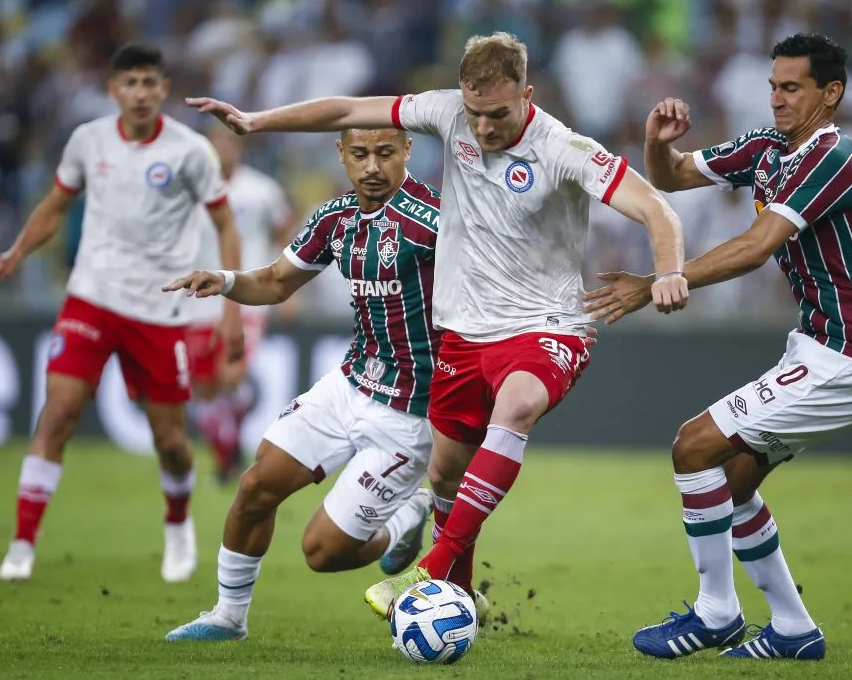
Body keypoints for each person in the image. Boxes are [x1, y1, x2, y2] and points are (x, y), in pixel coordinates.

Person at [186, 30, 690, 622]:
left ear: (527, 96)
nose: (481, 128)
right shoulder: (441, 116)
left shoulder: (563, 148)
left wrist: (669, 271)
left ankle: (428, 571)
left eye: (497, 114)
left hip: (541, 324)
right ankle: (428, 580)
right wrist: (255, 121)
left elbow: (655, 206)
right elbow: (348, 109)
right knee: (433, 482)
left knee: (516, 407)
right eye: (473, 113)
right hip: (454, 340)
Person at [585, 33, 852, 661]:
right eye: (773, 85)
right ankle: (793, 629)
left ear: (830, 93)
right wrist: (657, 143)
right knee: (728, 483)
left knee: (693, 445)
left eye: (792, 87)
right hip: (818, 349)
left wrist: (660, 282)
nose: (778, 98)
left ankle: (716, 611)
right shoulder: (768, 147)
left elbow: (758, 244)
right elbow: (673, 178)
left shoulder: (834, 155)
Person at [161, 127, 445, 641]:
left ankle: (406, 518)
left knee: (322, 553)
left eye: (385, 153)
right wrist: (224, 280)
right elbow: (274, 282)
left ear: (407, 150)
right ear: (341, 154)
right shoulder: (334, 219)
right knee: (255, 487)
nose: (372, 167)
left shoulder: (435, 224)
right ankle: (228, 617)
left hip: (409, 413)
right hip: (348, 385)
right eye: (359, 154)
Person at [0, 43, 244, 583]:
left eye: (151, 82)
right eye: (130, 82)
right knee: (57, 414)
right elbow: (56, 203)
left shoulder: (190, 151)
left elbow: (224, 224)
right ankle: (22, 543)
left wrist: (230, 309)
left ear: (164, 89)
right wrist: (17, 251)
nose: (141, 92)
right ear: (113, 90)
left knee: (172, 443)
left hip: (159, 308)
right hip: (92, 298)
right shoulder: (89, 140)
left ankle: (177, 527)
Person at [185, 127, 296, 483]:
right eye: (214, 143)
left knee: (230, 375)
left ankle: (227, 457)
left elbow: (285, 232)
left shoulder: (262, 190)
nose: (222, 149)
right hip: (199, 303)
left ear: (239, 147)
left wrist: (289, 284)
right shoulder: (192, 193)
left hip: (248, 298)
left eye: (228, 142)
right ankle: (227, 452)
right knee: (204, 387)